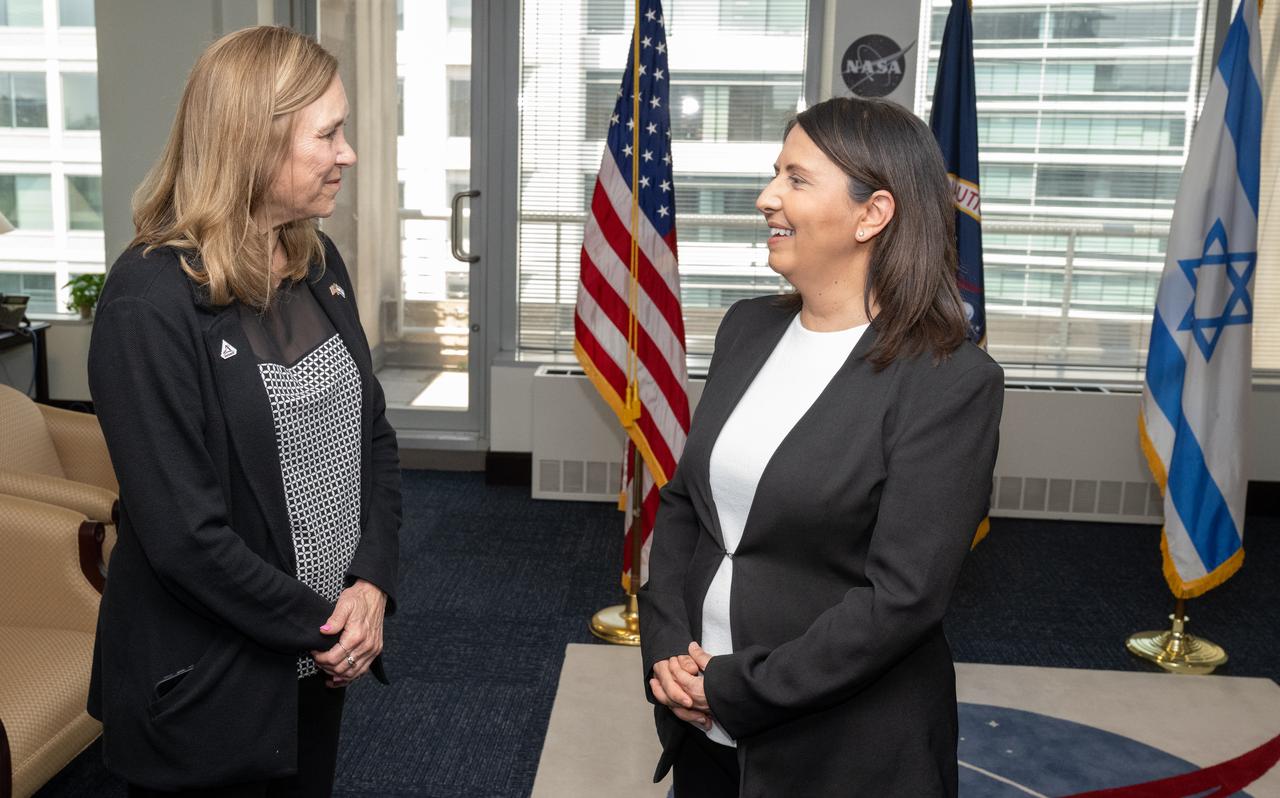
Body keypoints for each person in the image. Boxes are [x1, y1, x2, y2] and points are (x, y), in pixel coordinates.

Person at [638, 96, 1004, 796]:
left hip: (844, 752)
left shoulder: (950, 382)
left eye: (796, 180)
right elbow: (686, 503)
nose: (766, 197)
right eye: (776, 173)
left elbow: (901, 599)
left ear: (873, 215)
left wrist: (734, 687)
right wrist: (667, 652)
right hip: (700, 726)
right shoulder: (745, 330)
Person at [86, 26, 400, 797]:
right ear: (253, 146)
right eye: (327, 134)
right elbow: (186, 540)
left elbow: (375, 441)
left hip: (316, 662)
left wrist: (370, 585)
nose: (347, 153)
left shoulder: (318, 263)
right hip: (209, 685)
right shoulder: (148, 302)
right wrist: (327, 628)